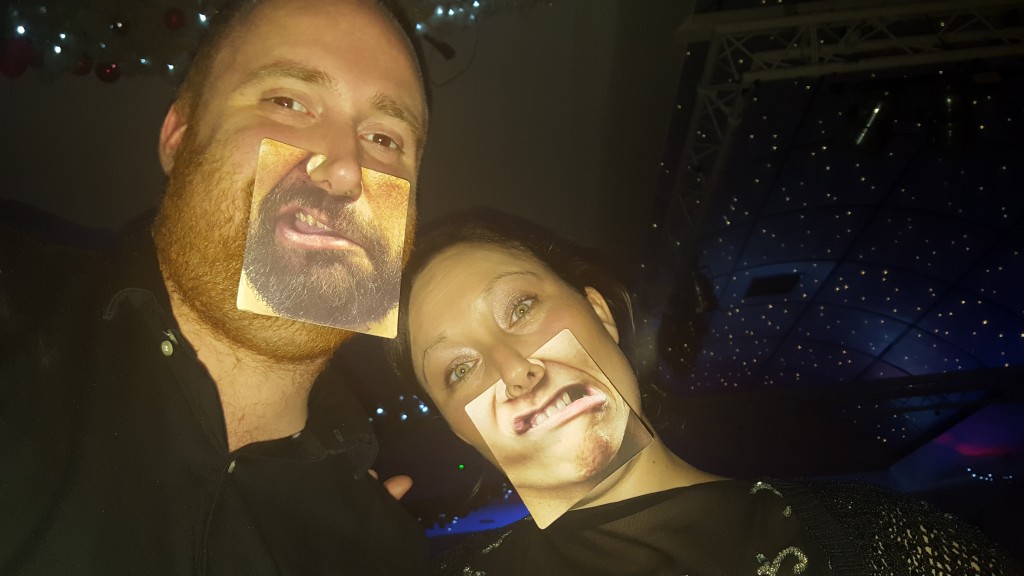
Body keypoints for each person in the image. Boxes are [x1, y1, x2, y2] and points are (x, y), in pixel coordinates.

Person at [1, 0, 429, 574]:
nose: (348, 169)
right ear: (180, 137)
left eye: (385, 138)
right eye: (288, 102)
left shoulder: (386, 554)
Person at [390, 210, 1023, 576]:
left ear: (600, 314)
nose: (512, 369)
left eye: (520, 307)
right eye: (458, 369)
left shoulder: (872, 535)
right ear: (456, 428)